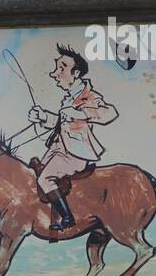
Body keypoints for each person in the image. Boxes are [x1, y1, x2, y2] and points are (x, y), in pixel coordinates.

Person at [28, 44, 118, 229]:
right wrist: (43, 116)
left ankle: (68, 218)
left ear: (76, 73)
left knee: (45, 179)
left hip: (75, 154)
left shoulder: (88, 96)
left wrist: (81, 113)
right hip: (58, 151)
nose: (55, 74)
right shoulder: (69, 98)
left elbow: (110, 113)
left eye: (62, 68)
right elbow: (63, 124)